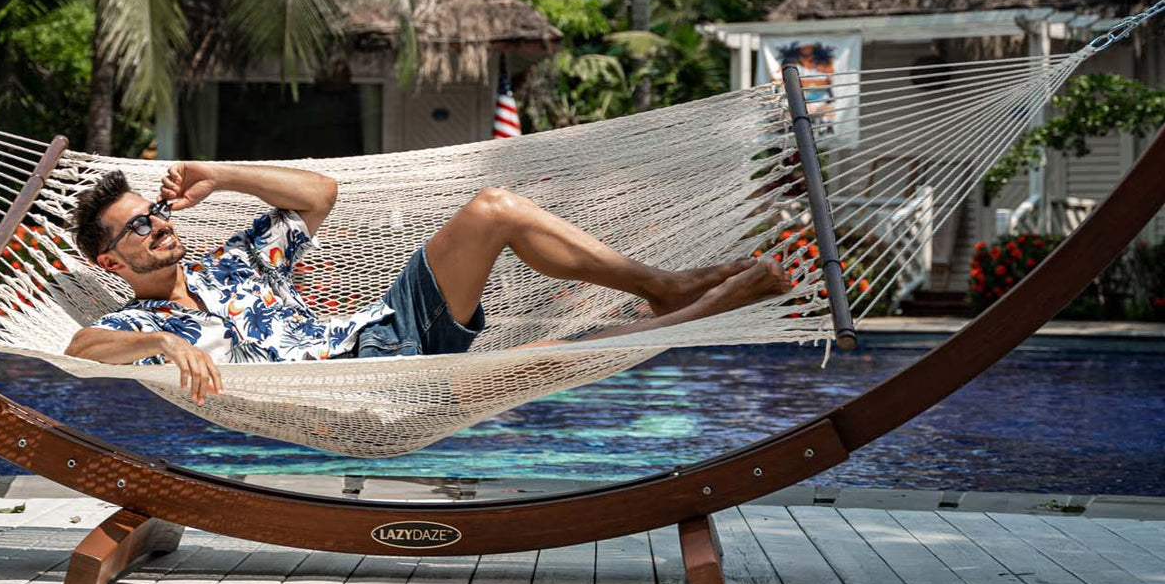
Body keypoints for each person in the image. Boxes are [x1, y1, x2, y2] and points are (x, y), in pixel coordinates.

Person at [64, 162, 789, 404]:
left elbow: (318, 193)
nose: (158, 226)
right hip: (353, 386)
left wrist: (221, 177)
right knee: (530, 364)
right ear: (112, 264)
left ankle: (662, 287)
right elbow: (79, 345)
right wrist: (162, 337)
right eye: (138, 228)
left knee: (493, 209)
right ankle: (701, 308)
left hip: (381, 333)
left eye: (155, 212)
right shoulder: (135, 327)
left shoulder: (235, 260)